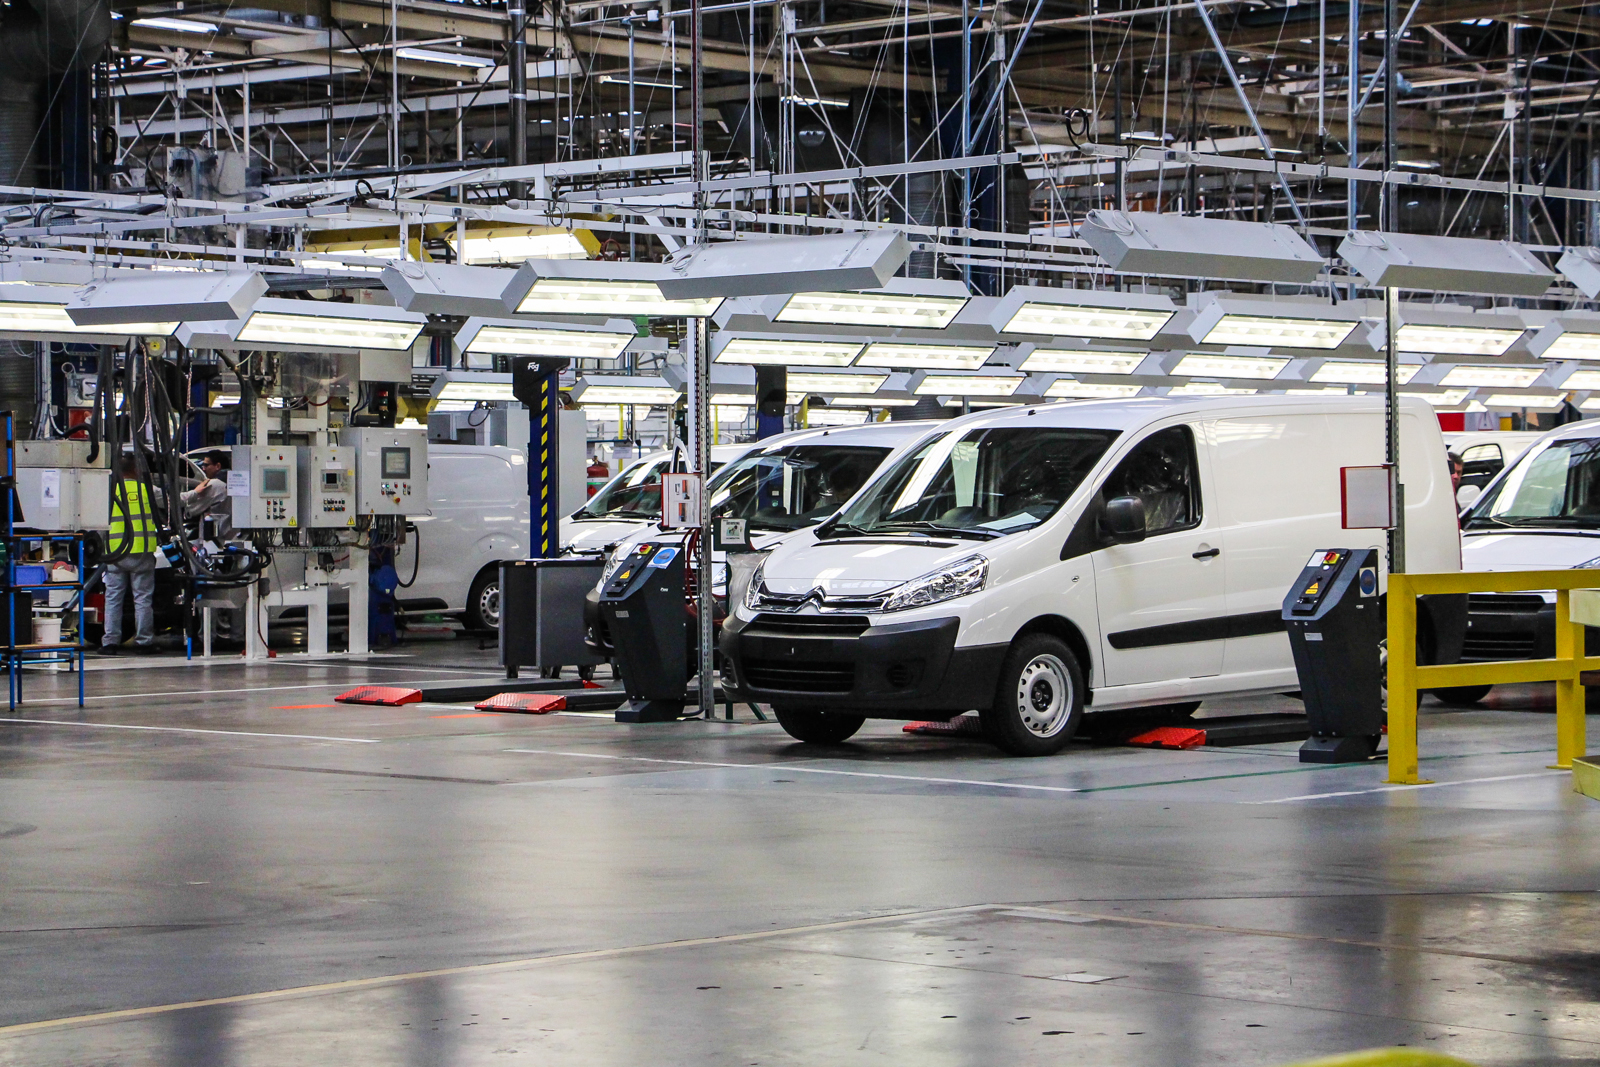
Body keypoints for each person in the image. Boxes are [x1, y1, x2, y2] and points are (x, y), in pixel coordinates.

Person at [101, 455, 160, 654]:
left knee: (113, 598)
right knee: (142, 598)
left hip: (115, 552)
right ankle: (144, 642)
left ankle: (110, 642)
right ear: (136, 470)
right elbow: (176, 502)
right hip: (141, 552)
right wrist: (197, 491)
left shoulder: (109, 492)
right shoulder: (147, 490)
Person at [181, 449, 232, 539]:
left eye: (206, 465)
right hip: (231, 532)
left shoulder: (214, 484)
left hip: (215, 536)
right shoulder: (232, 482)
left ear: (218, 466)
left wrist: (195, 492)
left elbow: (191, 510)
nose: (203, 468)